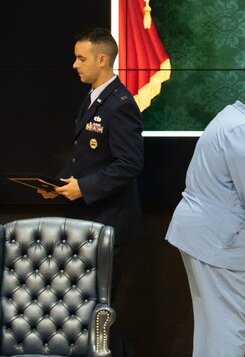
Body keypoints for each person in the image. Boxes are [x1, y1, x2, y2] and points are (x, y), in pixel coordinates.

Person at [165, 78, 245, 356]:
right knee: (229, 333)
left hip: (205, 238)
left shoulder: (230, 117)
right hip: (223, 245)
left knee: (211, 331)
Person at [38, 27, 143, 357]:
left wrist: (82, 187)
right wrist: (59, 185)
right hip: (89, 219)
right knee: (87, 305)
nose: (74, 64)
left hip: (109, 222)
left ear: (102, 59)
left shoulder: (120, 104)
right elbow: (86, 158)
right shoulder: (93, 99)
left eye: (81, 58)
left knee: (100, 306)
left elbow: (130, 164)